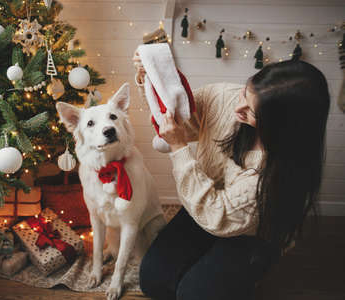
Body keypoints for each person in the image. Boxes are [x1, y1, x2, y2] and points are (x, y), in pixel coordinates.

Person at [133, 55, 330, 300]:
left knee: (193, 293)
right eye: (245, 94)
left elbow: (217, 216)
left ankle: (254, 270)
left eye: (252, 112)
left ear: (281, 126)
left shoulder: (273, 175)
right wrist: (152, 79)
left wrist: (178, 148)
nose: (238, 109)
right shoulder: (226, 96)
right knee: (153, 280)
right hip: (205, 203)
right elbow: (184, 117)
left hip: (246, 231)